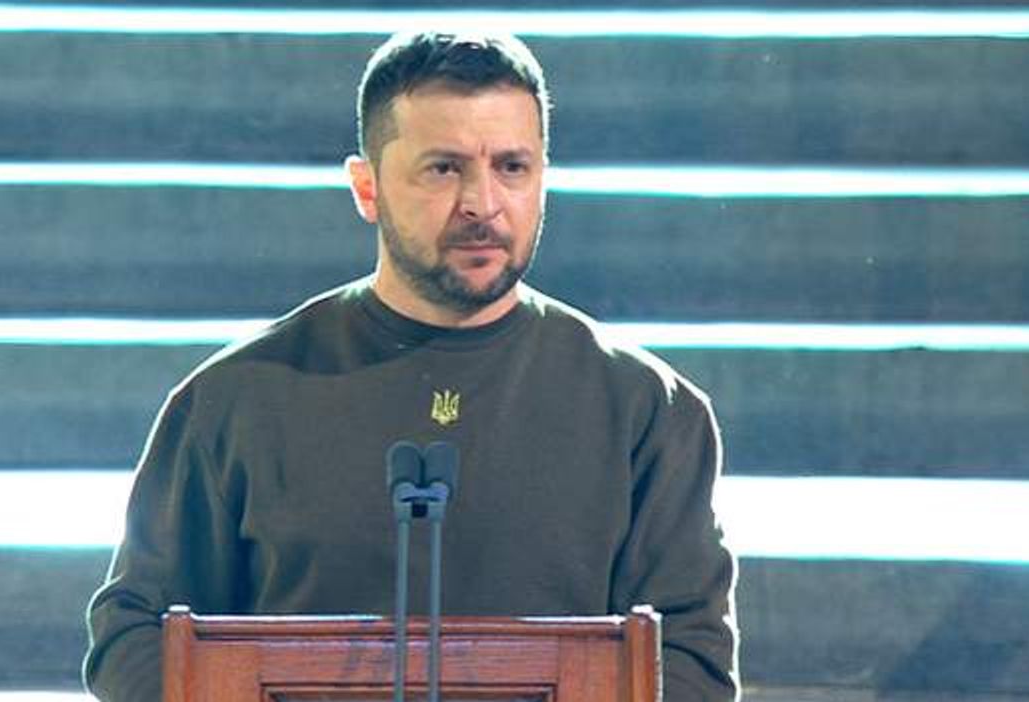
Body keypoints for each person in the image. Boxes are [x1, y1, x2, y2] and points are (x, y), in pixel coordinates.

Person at [84, 30, 739, 701]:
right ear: (366, 188)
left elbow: (689, 664)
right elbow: (134, 640)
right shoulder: (236, 398)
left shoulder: (646, 409)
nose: (482, 204)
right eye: (444, 168)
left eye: (512, 167)